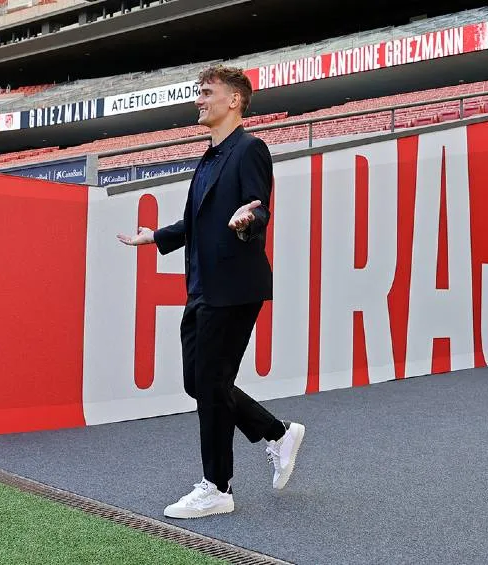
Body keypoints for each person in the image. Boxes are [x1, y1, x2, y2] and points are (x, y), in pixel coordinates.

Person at [117, 65, 305, 519]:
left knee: (211, 383)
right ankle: (276, 432)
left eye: (206, 92)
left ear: (234, 100)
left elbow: (259, 209)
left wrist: (247, 222)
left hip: (234, 286)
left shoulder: (249, 149)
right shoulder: (207, 157)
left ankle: (217, 487)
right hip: (201, 286)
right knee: (198, 382)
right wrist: (156, 237)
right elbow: (196, 221)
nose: (198, 100)